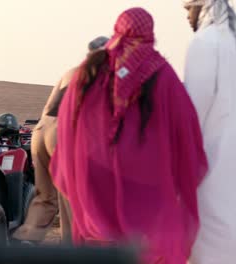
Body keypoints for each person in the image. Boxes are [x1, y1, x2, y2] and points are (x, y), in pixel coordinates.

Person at [50, 7, 208, 263]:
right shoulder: (162, 73)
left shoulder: (89, 71)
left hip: (97, 174)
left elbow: (69, 124)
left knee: (101, 239)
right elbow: (185, 126)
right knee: (147, 245)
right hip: (146, 180)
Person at [12, 36, 109, 245]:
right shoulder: (102, 73)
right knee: (76, 200)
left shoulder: (70, 72)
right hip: (64, 134)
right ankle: (74, 251)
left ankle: (25, 242)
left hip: (41, 132)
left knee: (45, 198)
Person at [183, 1, 236, 263]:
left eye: (189, 9)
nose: (187, 16)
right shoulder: (234, 43)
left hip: (212, 167)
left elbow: (192, 115)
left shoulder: (204, 43)